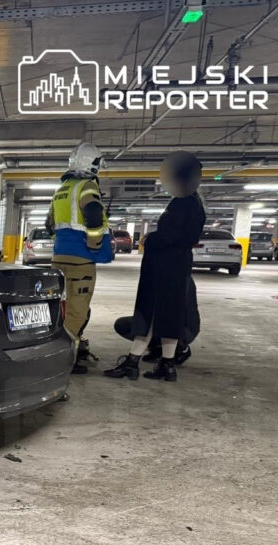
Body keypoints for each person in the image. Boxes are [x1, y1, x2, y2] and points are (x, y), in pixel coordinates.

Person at [105, 151, 206, 382]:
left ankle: (132, 363)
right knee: (170, 317)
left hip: (164, 267)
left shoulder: (182, 203)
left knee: (148, 315)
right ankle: (167, 366)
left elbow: (170, 236)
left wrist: (150, 239)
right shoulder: (196, 203)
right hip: (178, 266)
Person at [46, 142, 113, 374]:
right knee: (77, 313)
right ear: (93, 164)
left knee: (61, 310)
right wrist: (94, 244)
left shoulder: (62, 189)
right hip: (80, 261)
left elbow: (49, 224)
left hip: (59, 258)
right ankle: (66, 361)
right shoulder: (87, 186)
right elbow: (93, 213)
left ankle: (53, 353)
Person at [112, 275, 199, 366]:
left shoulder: (180, 278)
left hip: (184, 328)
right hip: (162, 321)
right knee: (123, 325)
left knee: (156, 326)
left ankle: (181, 349)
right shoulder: (159, 276)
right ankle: (157, 349)